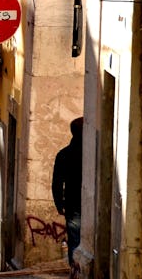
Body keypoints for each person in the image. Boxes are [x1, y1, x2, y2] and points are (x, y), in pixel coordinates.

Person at [53, 117, 84, 273]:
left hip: (72, 205)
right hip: (88, 204)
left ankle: (74, 269)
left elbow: (57, 183)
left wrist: (59, 204)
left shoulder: (63, 154)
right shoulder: (92, 154)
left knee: (75, 239)